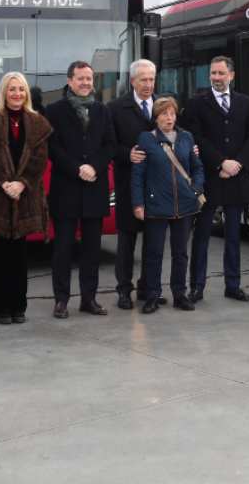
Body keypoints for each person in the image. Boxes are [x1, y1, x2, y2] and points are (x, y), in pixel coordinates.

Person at [0, 72, 51, 324]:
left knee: (20, 255)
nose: (17, 94)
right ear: (3, 93)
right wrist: (4, 183)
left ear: (26, 93)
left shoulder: (38, 122)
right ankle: (0, 309)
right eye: (12, 89)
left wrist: (21, 183)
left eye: (21, 89)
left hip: (25, 197)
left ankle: (19, 307)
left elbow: (39, 160)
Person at [182, 56, 249, 302]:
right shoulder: (196, 104)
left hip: (236, 178)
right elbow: (196, 137)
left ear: (231, 75)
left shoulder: (245, 103)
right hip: (209, 179)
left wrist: (238, 164)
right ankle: (197, 287)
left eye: (220, 73)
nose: (216, 77)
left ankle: (233, 285)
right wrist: (220, 162)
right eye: (213, 73)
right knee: (202, 236)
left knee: (234, 236)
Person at [46, 61, 116, 318]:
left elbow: (110, 144)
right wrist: (77, 168)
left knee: (92, 250)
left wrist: (95, 167)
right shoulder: (54, 111)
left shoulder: (102, 110)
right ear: (70, 81)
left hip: (94, 190)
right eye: (81, 79)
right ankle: (61, 300)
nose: (86, 83)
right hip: (66, 189)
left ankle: (89, 299)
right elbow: (52, 149)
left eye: (89, 79)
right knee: (63, 249)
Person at [131, 96, 203, 314]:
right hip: (156, 206)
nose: (169, 118)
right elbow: (138, 174)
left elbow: (197, 167)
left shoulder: (186, 137)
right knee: (154, 253)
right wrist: (138, 203)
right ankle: (152, 295)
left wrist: (196, 189)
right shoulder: (146, 139)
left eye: (172, 113)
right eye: (164, 114)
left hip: (185, 206)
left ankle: (180, 294)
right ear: (156, 117)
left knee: (180, 253)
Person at [107, 58, 157, 310]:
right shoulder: (116, 108)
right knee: (127, 241)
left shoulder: (162, 106)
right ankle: (124, 291)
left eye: (151, 79)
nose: (148, 84)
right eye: (143, 80)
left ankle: (149, 288)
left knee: (154, 240)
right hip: (128, 184)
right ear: (132, 81)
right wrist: (127, 154)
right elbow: (108, 145)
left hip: (158, 187)